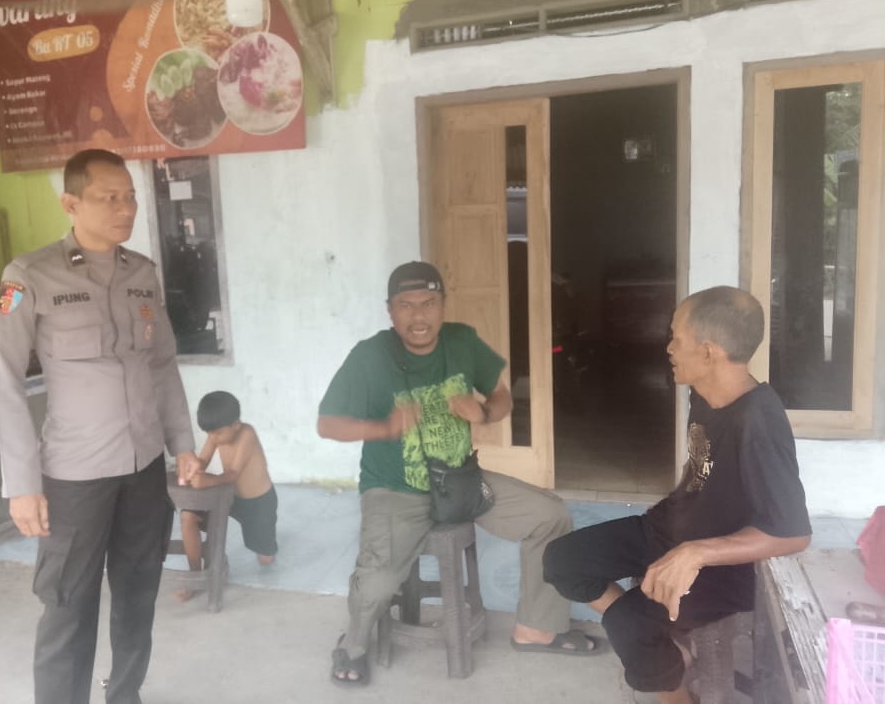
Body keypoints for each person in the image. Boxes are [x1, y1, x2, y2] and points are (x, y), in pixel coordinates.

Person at [319, 260, 600, 687]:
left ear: (443, 305)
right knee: (378, 582)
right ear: (390, 310)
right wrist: (384, 428)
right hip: (395, 490)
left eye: (428, 303)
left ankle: (537, 628)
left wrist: (483, 412)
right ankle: (353, 644)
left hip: (463, 482)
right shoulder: (370, 355)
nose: (419, 316)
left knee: (550, 515)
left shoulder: (462, 341)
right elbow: (328, 424)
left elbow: (502, 398)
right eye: (406, 305)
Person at [0, 148, 199, 704]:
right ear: (70, 203)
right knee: (67, 605)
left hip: (143, 468)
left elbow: (162, 364)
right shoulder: (28, 277)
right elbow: (7, 383)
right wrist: (22, 485)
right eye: (109, 198)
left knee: (138, 594)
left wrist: (182, 443)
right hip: (75, 476)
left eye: (129, 197)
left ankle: (124, 694)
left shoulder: (142, 274)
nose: (125, 208)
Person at [543, 286, 812, 704]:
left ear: (708, 352)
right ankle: (667, 653)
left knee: (628, 623)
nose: (668, 348)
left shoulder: (759, 422)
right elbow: (701, 467)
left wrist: (696, 553)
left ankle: (673, 689)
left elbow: (793, 534)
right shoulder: (702, 392)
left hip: (723, 569)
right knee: (562, 560)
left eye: (676, 337)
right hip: (669, 530)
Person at [176, 390, 278, 601]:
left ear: (236, 425)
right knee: (188, 516)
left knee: (265, 558)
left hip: (259, 502)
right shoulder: (217, 433)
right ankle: (196, 575)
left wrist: (207, 481)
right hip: (230, 497)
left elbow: (232, 474)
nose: (213, 438)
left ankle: (266, 544)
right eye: (209, 433)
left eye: (218, 433)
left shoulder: (247, 434)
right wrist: (193, 468)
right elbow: (203, 460)